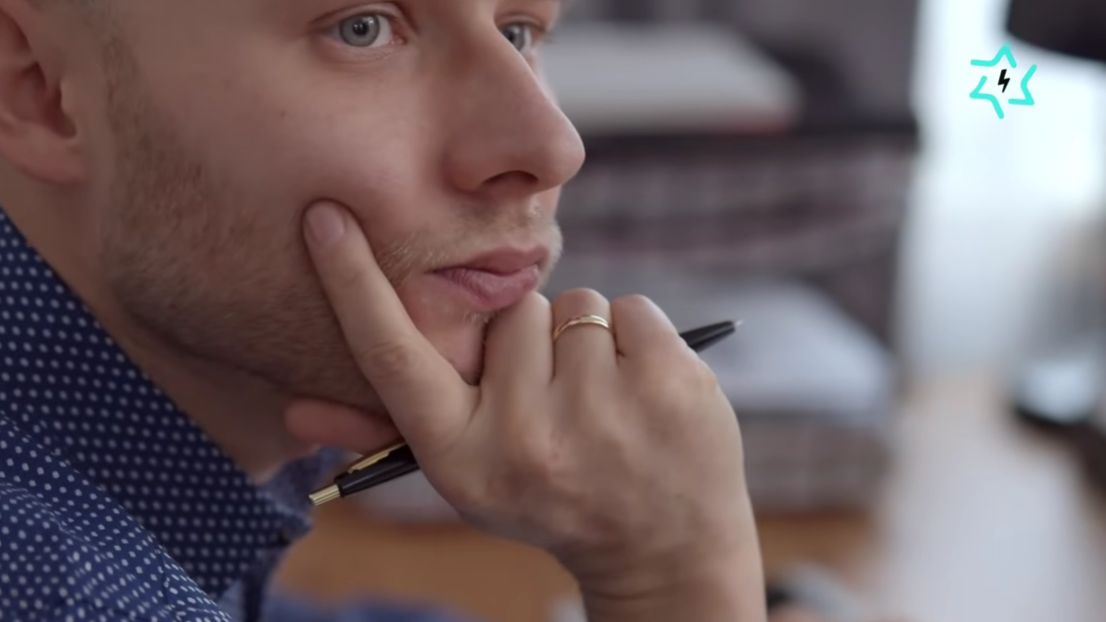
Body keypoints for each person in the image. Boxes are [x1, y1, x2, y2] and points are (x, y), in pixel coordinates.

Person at [0, 0, 769, 620]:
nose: (551, 147)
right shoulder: (62, 592)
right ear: (39, 91)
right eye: (362, 28)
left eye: (518, 31)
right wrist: (669, 574)